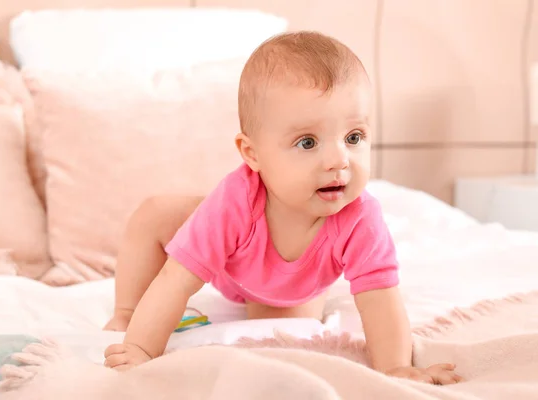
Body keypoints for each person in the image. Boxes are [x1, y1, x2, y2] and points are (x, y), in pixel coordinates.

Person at [103, 31, 462, 385]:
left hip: (290, 286)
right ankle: (127, 309)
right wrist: (140, 348)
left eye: (354, 137)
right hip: (230, 252)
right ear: (252, 154)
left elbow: (380, 298)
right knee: (155, 213)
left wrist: (396, 368)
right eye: (307, 142)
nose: (339, 160)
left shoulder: (360, 217)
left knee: (278, 326)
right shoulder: (233, 200)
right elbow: (175, 281)